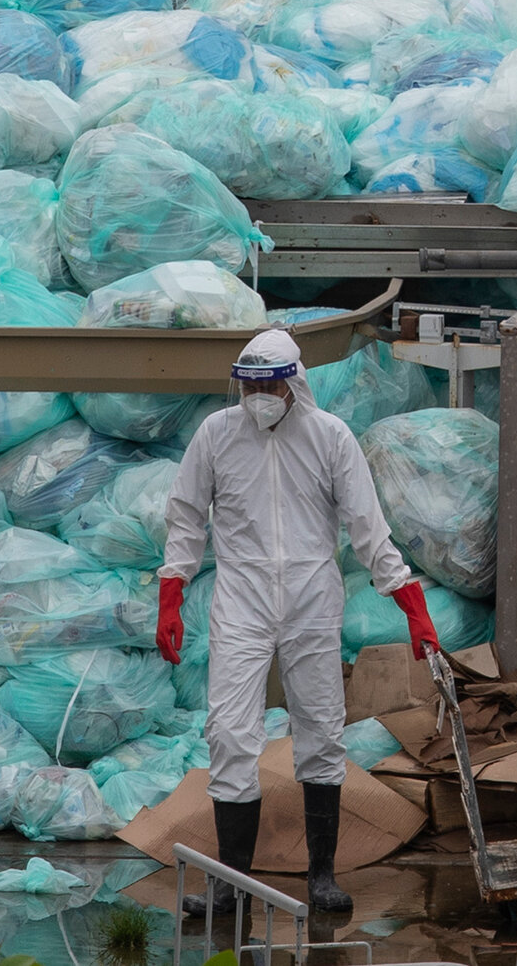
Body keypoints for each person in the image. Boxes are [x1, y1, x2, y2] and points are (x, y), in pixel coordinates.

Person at [158, 327, 442, 918]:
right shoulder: (217, 434)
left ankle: (322, 875)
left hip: (313, 597)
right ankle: (229, 885)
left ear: (294, 384)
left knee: (321, 728)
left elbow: (369, 529)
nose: (257, 397)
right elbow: (186, 515)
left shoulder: (329, 438)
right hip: (242, 595)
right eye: (248, 386)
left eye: (268, 386)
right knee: (230, 732)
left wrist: (411, 606)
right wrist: (171, 591)